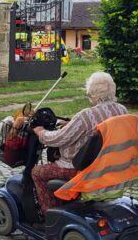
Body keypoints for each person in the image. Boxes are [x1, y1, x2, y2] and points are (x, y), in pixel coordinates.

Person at [31, 72, 127, 212]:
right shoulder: (121, 110)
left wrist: (40, 132)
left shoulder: (86, 115)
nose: (88, 96)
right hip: (107, 164)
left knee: (37, 172)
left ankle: (49, 216)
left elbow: (58, 138)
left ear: (92, 94)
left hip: (79, 169)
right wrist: (70, 124)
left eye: (89, 94)